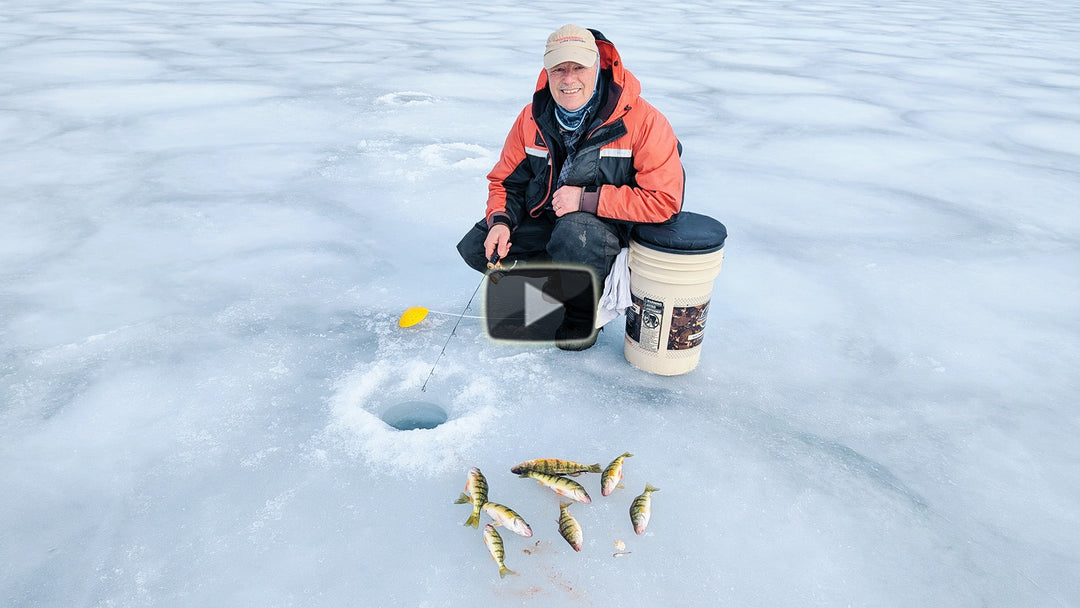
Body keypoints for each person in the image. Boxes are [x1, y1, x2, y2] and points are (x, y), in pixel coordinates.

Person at [457, 24, 684, 350]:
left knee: (574, 232)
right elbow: (506, 182)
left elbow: (664, 201)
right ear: (546, 71)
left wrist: (585, 200)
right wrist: (501, 222)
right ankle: (553, 296)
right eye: (559, 69)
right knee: (478, 247)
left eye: (578, 67)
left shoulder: (645, 121)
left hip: (609, 235)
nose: (568, 79)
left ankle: (585, 313)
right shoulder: (531, 117)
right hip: (552, 220)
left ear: (598, 65)